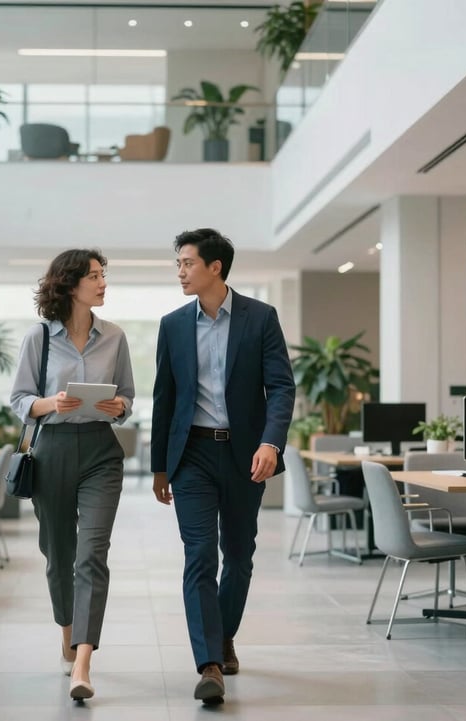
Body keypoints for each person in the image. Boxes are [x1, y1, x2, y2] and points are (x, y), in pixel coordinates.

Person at [151, 228, 295, 704]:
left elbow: (281, 387)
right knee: (198, 555)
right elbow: (164, 400)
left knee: (239, 556)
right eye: (178, 264)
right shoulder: (172, 324)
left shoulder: (260, 318)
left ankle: (224, 633)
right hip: (191, 454)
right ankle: (209, 661)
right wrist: (159, 467)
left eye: (187, 263)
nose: (180, 271)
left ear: (215, 267)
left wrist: (272, 442)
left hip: (244, 455)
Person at [10, 249, 135, 702]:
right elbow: (21, 399)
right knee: (58, 554)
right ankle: (68, 631)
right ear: (70, 284)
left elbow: (127, 399)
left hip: (102, 451)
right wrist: (50, 403)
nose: (103, 284)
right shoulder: (39, 338)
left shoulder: (115, 337)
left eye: (104, 276)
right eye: (95, 277)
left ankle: (83, 660)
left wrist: (118, 406)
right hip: (52, 451)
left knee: (91, 554)